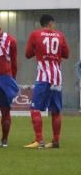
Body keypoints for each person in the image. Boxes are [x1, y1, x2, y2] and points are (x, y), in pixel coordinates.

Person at [24, 13, 70, 149]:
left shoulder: (35, 34)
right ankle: (55, 141)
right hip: (57, 77)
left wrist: (38, 51)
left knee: (35, 109)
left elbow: (27, 54)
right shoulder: (60, 35)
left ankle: (39, 140)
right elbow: (66, 54)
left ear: (42, 24)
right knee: (55, 111)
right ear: (51, 23)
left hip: (44, 76)